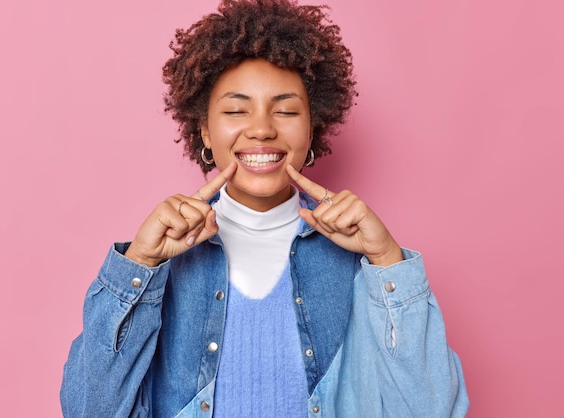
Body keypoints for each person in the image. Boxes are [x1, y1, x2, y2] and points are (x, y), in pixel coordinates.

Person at [60, 0, 469, 416]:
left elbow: (433, 409)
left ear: (312, 128)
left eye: (287, 110)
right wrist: (139, 265)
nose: (261, 128)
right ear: (204, 128)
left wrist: (387, 261)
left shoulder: (361, 263)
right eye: (237, 110)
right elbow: (88, 410)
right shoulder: (161, 263)